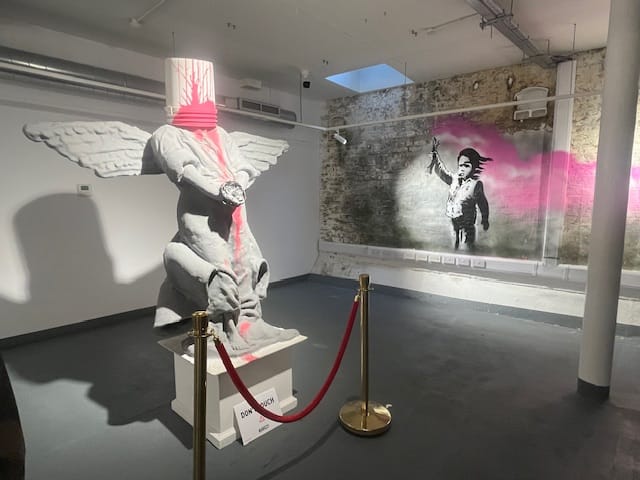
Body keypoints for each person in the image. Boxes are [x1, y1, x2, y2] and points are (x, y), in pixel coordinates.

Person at [428, 138, 491, 250]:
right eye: (460, 165)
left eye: (466, 166)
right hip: (454, 221)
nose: (462, 169)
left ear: (473, 167)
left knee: (466, 247)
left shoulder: (475, 184)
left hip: (467, 225)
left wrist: (485, 219)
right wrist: (435, 154)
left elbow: (482, 203)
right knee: (455, 246)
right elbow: (441, 172)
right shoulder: (454, 179)